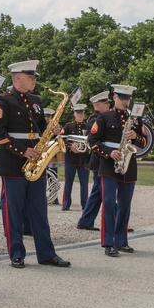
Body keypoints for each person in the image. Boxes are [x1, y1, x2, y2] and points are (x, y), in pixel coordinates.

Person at [0, 59, 71, 269]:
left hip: (36, 162)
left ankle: (46, 254)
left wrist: (52, 129)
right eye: (30, 76)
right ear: (17, 78)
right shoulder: (2, 101)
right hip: (13, 162)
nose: (34, 80)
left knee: (39, 211)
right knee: (13, 211)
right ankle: (16, 254)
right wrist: (23, 150)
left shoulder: (35, 99)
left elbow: (40, 126)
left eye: (34, 76)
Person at [87, 84, 145, 257]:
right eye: (121, 98)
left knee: (125, 205)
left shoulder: (134, 118)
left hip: (129, 164)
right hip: (109, 163)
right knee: (110, 203)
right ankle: (108, 242)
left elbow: (143, 142)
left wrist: (136, 137)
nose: (125, 101)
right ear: (114, 98)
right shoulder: (104, 117)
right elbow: (93, 141)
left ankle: (121, 240)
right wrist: (109, 152)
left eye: (127, 99)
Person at [75, 90, 111, 232]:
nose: (108, 105)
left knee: (98, 191)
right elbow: (94, 139)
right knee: (105, 190)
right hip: (99, 159)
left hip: (103, 159)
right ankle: (115, 222)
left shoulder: (105, 117)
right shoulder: (94, 119)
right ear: (97, 105)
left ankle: (85, 221)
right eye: (105, 103)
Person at [61, 104, 90, 211]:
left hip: (83, 159)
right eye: (78, 113)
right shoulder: (68, 126)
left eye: (81, 113)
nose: (80, 115)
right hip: (70, 159)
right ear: (74, 114)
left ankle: (85, 204)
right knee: (68, 182)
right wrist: (70, 146)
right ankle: (66, 203)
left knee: (84, 183)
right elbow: (62, 138)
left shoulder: (87, 127)